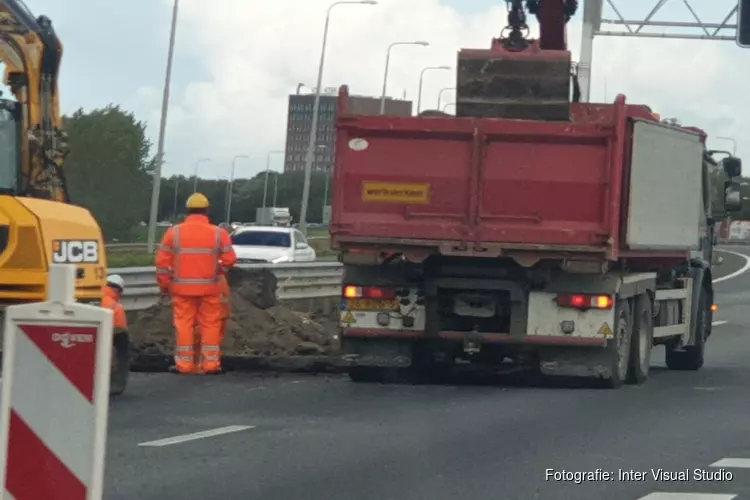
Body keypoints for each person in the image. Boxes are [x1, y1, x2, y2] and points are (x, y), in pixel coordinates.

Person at [155, 192, 237, 375]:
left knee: (184, 324)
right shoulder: (218, 233)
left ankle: (184, 365)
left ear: (187, 211)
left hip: (181, 289)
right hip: (210, 288)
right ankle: (210, 365)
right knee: (210, 324)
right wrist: (219, 271)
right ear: (207, 211)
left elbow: (162, 264)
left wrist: (164, 286)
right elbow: (230, 259)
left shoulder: (173, 233)